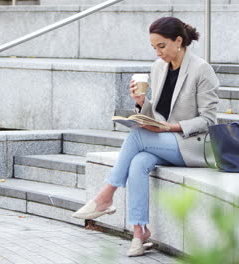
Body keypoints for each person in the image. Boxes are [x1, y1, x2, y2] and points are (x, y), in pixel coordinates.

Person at [72, 17, 219, 257]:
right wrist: (142, 104)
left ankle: (105, 197)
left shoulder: (201, 69)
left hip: (194, 146)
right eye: (154, 47)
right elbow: (158, 113)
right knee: (138, 162)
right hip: (165, 141)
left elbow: (209, 120)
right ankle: (140, 233)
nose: (158, 52)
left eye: (161, 46)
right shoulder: (158, 67)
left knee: (137, 137)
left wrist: (170, 128)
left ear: (179, 41)